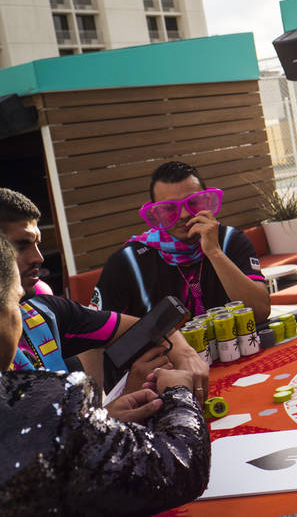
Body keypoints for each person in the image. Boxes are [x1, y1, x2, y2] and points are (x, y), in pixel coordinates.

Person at [0, 234, 210, 515]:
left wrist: (102, 421)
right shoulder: (42, 404)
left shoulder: (46, 313)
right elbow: (179, 467)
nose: (37, 257)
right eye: (15, 302)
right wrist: (179, 394)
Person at [0, 188, 208, 406]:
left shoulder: (44, 311)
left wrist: (185, 354)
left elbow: (147, 327)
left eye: (37, 244)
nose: (38, 257)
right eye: (21, 246)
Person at [95, 161, 270, 322]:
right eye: (169, 208)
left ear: (207, 201)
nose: (185, 214)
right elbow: (98, 336)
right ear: (156, 213)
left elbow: (260, 312)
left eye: (194, 202)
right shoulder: (127, 262)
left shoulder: (230, 240)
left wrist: (214, 252)